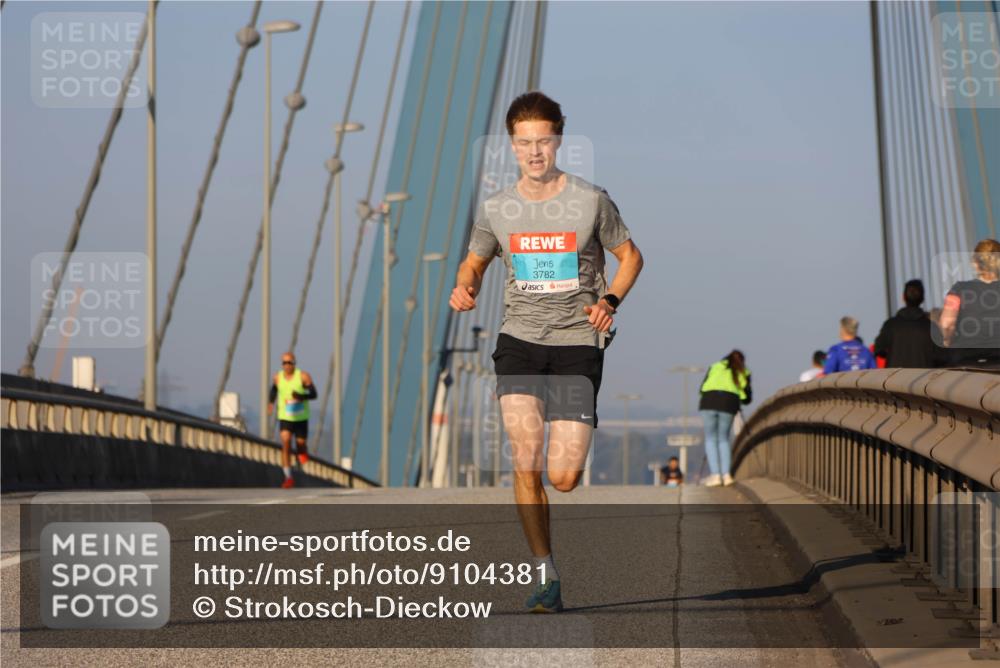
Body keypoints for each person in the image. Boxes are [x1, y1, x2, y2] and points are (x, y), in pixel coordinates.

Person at [449, 91, 644, 613]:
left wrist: (610, 300)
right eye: (524, 143)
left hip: (578, 342)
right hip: (520, 341)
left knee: (563, 477)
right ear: (511, 146)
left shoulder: (590, 200)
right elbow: (474, 262)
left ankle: (570, 456)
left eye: (543, 141)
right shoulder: (496, 209)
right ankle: (545, 574)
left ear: (558, 140)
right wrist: (464, 285)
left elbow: (630, 257)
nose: (535, 152)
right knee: (525, 458)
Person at [940, 239, 1000, 367]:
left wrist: (947, 341)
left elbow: (947, 323)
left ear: (976, 263)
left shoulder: (959, 289)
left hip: (968, 360)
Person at [698, 350, 751, 487]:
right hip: (729, 404)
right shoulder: (743, 371)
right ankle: (726, 475)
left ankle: (715, 475)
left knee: (710, 439)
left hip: (708, 402)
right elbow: (747, 397)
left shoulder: (715, 366)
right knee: (723, 439)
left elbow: (702, 388)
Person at [267, 352, 317, 489]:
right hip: (285, 416)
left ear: (294, 363)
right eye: (284, 363)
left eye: (290, 363)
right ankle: (288, 477)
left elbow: (314, 394)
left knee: (300, 444)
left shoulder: (303, 376)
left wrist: (302, 396)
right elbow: (274, 390)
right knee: (286, 441)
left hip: (301, 418)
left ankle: (302, 451)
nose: (287, 365)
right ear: (282, 364)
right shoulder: (278, 378)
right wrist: (271, 403)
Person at [873, 279, 939, 368]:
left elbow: (879, 350)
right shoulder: (931, 327)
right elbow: (941, 356)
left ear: (903, 297)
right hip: (923, 379)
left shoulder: (890, 325)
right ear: (922, 299)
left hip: (895, 379)